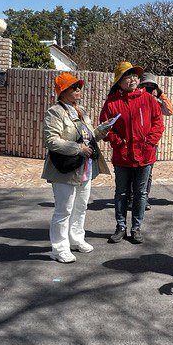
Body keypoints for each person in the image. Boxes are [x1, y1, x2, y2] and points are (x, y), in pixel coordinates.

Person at [42, 72, 112, 262]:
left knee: (80, 207)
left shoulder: (81, 110)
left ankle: (76, 239)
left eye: (78, 86)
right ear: (62, 92)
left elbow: (89, 137)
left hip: (84, 167)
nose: (78, 89)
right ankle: (59, 248)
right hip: (66, 168)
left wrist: (101, 130)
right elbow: (51, 140)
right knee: (63, 210)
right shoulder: (55, 112)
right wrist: (77, 148)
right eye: (73, 87)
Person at [100, 61, 164, 244]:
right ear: (119, 81)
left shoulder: (149, 100)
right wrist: (118, 142)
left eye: (135, 76)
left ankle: (136, 227)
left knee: (141, 193)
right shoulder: (112, 103)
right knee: (121, 192)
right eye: (127, 76)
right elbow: (105, 127)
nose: (132, 79)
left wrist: (149, 142)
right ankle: (120, 226)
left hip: (145, 155)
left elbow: (158, 124)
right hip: (122, 155)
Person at [137, 73, 173, 213]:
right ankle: (133, 197)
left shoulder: (157, 100)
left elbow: (169, 111)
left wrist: (160, 94)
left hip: (151, 141)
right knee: (134, 171)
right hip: (137, 140)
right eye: (145, 85)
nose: (148, 88)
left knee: (148, 172)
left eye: (151, 86)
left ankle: (144, 198)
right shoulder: (136, 98)